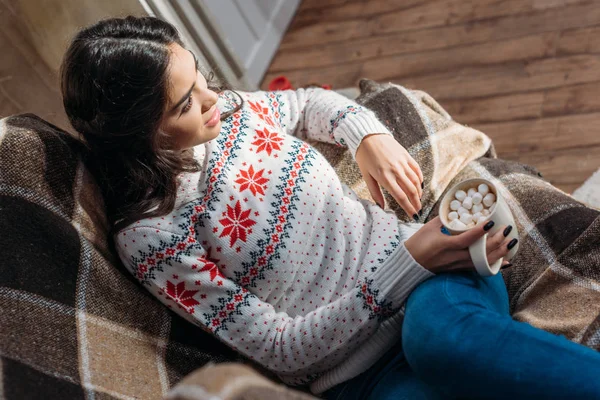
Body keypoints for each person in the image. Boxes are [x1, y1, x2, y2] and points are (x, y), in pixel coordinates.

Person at [59, 16, 600, 399]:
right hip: (359, 373)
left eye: (200, 77)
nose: (212, 99)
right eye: (185, 103)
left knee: (438, 340)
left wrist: (367, 135)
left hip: (439, 287)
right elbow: (278, 349)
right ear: (136, 135)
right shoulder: (150, 237)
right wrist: (410, 260)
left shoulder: (231, 113)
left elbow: (310, 104)